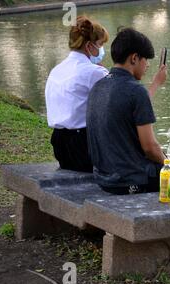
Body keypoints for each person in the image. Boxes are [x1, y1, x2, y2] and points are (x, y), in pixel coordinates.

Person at [86, 27, 170, 203]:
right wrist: (168, 163)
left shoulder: (98, 87)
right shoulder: (136, 91)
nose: (148, 65)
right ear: (134, 58)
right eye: (146, 60)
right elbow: (149, 147)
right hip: (131, 181)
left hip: (105, 180)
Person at [45, 15, 109, 172]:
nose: (101, 50)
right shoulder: (95, 72)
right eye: (100, 44)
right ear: (89, 46)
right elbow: (121, 103)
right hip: (83, 147)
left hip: (59, 146)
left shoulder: (57, 70)